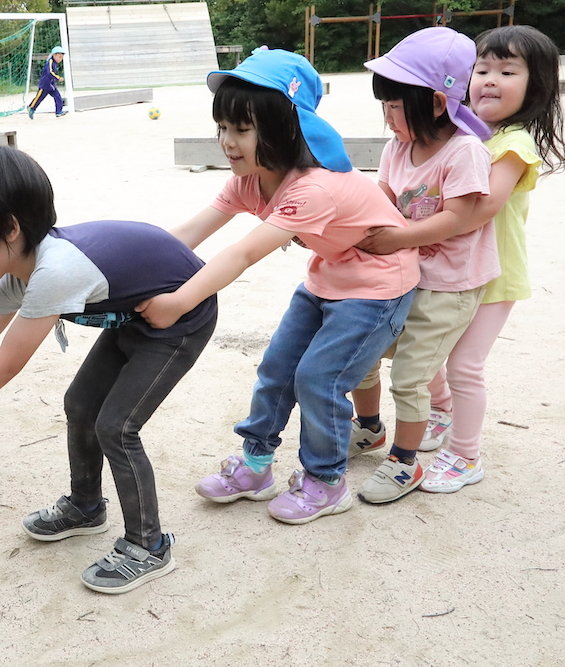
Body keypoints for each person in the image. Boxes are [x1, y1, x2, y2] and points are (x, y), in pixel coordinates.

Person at [0, 144, 219, 594]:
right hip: (132, 315)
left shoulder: (56, 272)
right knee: (81, 404)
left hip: (179, 319)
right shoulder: (18, 272)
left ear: (8, 229)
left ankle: (148, 545)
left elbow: (3, 366)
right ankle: (86, 507)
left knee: (117, 426)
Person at [135, 48, 418, 525]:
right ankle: (257, 464)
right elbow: (188, 235)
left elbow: (243, 253)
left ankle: (326, 481)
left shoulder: (313, 187)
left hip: (377, 288)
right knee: (276, 367)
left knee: (318, 378)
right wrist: (132, 264)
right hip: (328, 277)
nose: (227, 141)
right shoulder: (252, 179)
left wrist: (180, 301)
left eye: (241, 129)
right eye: (222, 127)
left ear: (287, 128)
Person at [372, 26, 565, 493]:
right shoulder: (455, 134)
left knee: (464, 364)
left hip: (492, 273)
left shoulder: (512, 144)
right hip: (445, 267)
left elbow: (480, 210)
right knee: (426, 352)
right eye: (481, 69)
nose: (489, 79)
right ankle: (440, 411)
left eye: (507, 71)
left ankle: (465, 454)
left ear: (535, 85)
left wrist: (402, 233)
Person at [347, 27, 499, 504]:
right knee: (362, 353)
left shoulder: (464, 151)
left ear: (436, 102)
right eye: (384, 106)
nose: (388, 118)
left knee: (409, 375)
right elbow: (383, 198)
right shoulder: (397, 147)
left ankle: (404, 463)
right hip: (405, 276)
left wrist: (395, 238)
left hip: (450, 286)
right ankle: (369, 428)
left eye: (396, 106)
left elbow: (456, 218)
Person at [27, 47, 66, 119]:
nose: (60, 59)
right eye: (59, 57)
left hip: (51, 85)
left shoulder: (54, 63)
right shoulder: (50, 61)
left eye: (62, 58)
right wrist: (58, 78)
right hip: (45, 84)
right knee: (39, 98)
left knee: (58, 97)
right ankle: (31, 108)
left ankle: (58, 112)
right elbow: (50, 72)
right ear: (54, 55)